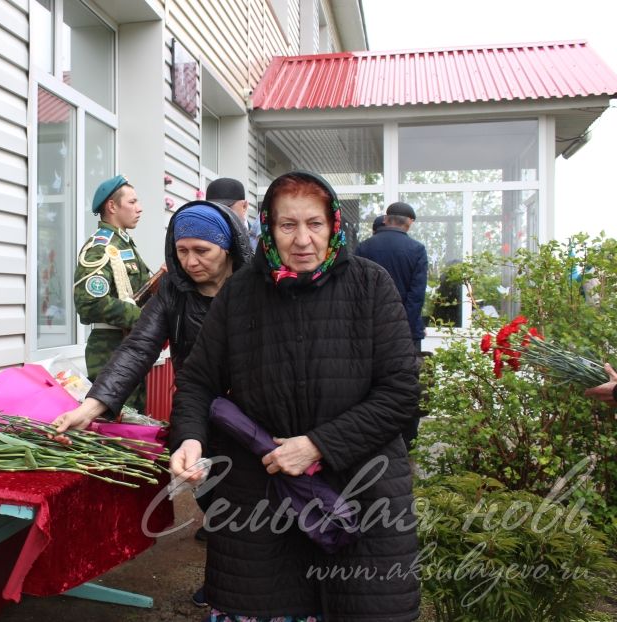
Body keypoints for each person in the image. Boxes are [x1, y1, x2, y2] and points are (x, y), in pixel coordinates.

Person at [169, 171, 421, 621]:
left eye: (315, 224)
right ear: (268, 226)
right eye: (288, 225)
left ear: (334, 225)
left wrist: (318, 445)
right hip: (259, 494)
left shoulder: (370, 286)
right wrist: (190, 437)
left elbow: (400, 393)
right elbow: (199, 381)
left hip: (360, 486)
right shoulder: (241, 293)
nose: (302, 239)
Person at [56, 199, 251, 609]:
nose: (191, 262)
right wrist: (92, 407)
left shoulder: (257, 289)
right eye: (183, 251)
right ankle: (223, 580)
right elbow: (139, 347)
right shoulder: (174, 293)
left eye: (203, 251)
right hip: (197, 414)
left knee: (254, 504)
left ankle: (245, 588)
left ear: (228, 247)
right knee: (212, 499)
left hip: (255, 413)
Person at [73, 174, 151, 411]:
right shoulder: (100, 247)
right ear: (112, 206)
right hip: (109, 348)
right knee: (115, 423)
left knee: (133, 418)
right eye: (132, 202)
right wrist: (142, 319)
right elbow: (89, 303)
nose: (140, 208)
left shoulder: (123, 243)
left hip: (128, 343)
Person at [356, 201, 428, 352]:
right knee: (404, 373)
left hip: (370, 328)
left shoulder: (364, 247)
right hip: (406, 331)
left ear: (385, 219)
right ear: (410, 222)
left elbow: (356, 288)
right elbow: (416, 295)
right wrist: (403, 325)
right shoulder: (417, 250)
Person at [206, 176, 259, 251]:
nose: (219, 215)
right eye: (214, 209)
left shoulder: (259, 241)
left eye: (227, 209)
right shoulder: (201, 238)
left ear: (244, 206)